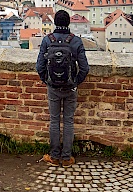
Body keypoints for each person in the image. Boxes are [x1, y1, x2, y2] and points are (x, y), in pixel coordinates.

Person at [36, 10, 89, 168]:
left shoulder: (48, 40)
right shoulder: (76, 41)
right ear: (69, 23)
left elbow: (39, 66)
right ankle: (66, 158)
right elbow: (85, 68)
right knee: (68, 121)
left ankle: (54, 156)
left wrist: (47, 80)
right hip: (70, 87)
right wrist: (75, 82)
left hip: (53, 87)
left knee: (54, 121)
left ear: (54, 23)